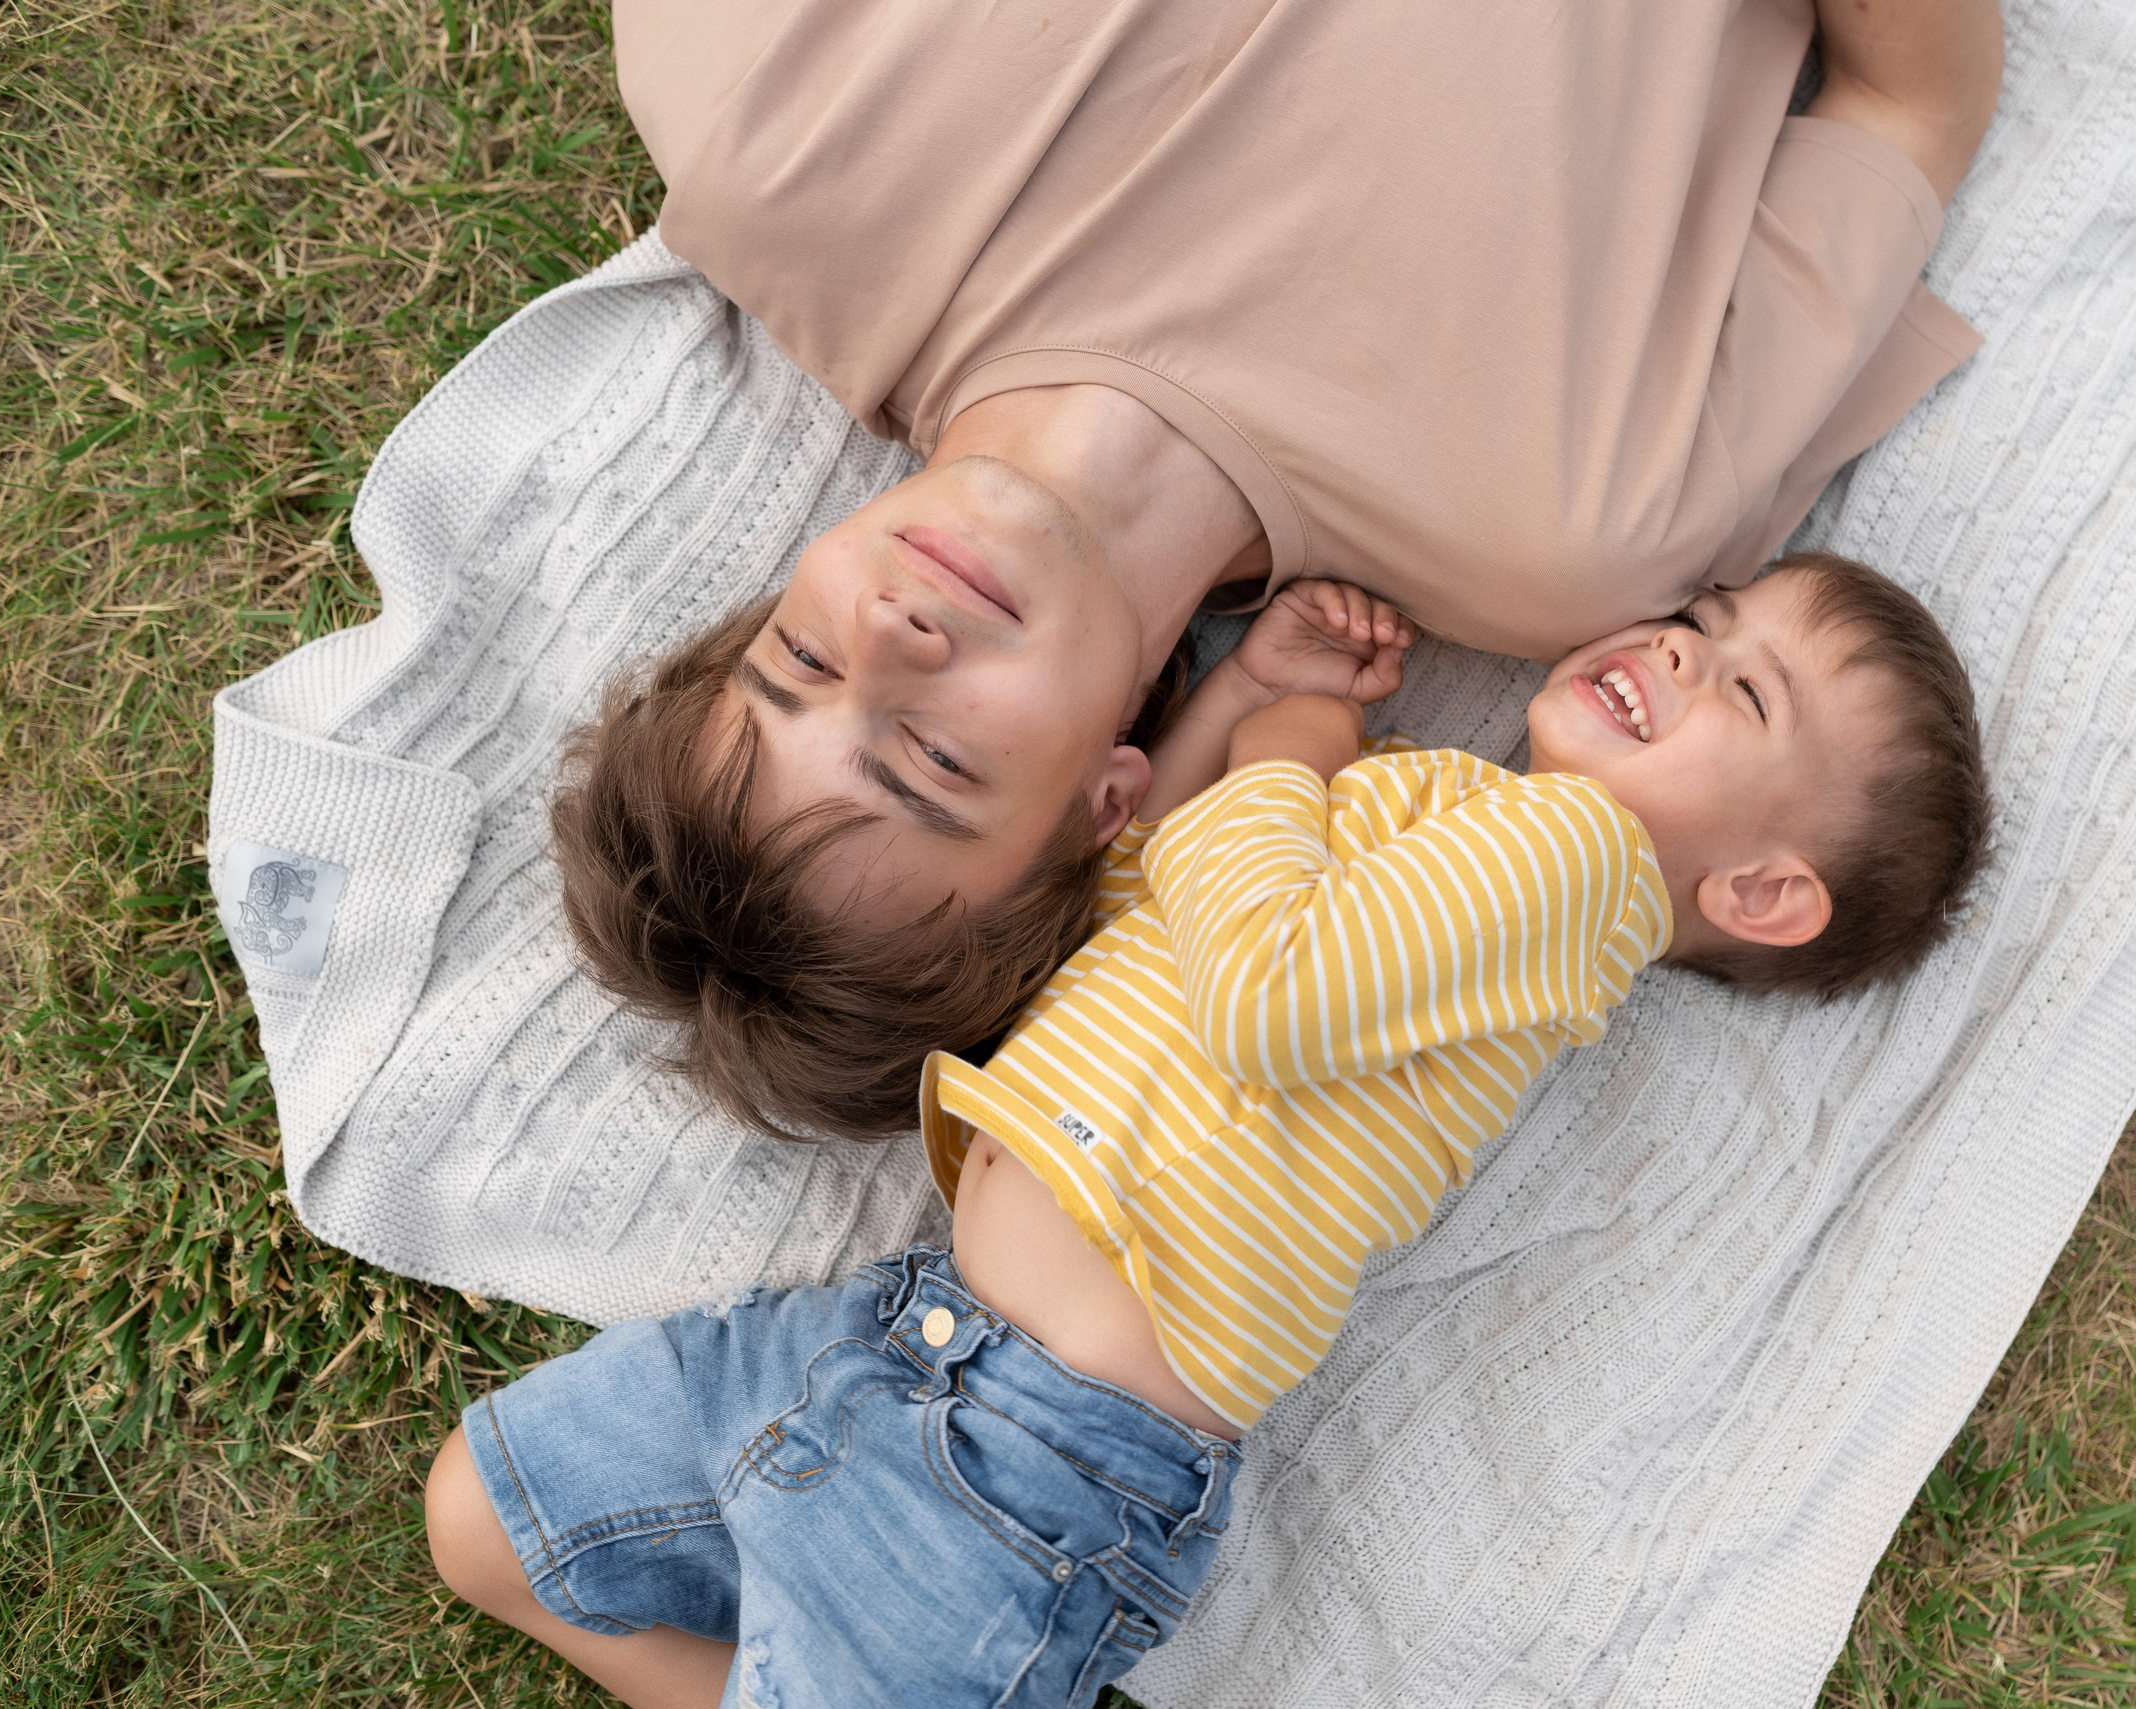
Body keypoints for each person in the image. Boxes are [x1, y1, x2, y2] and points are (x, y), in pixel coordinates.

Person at [425, 551, 1991, 1708]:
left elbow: (1262, 994)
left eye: (1744, 688)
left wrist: (1289, 752)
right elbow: (1141, 912)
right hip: (901, 1346)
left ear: (1765, 892)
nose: (1678, 647)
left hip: (1038, 1459)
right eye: (1706, 616)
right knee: (489, 1512)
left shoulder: (1580, 865)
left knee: (510, 1524)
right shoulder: (1444, 822)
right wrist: (1249, 703)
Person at [547, 0, 2006, 1139]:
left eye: (797, 662)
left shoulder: (770, 143)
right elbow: (1909, 99)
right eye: (928, 754)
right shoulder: (1576, 538)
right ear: (1110, 804)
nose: (891, 633)